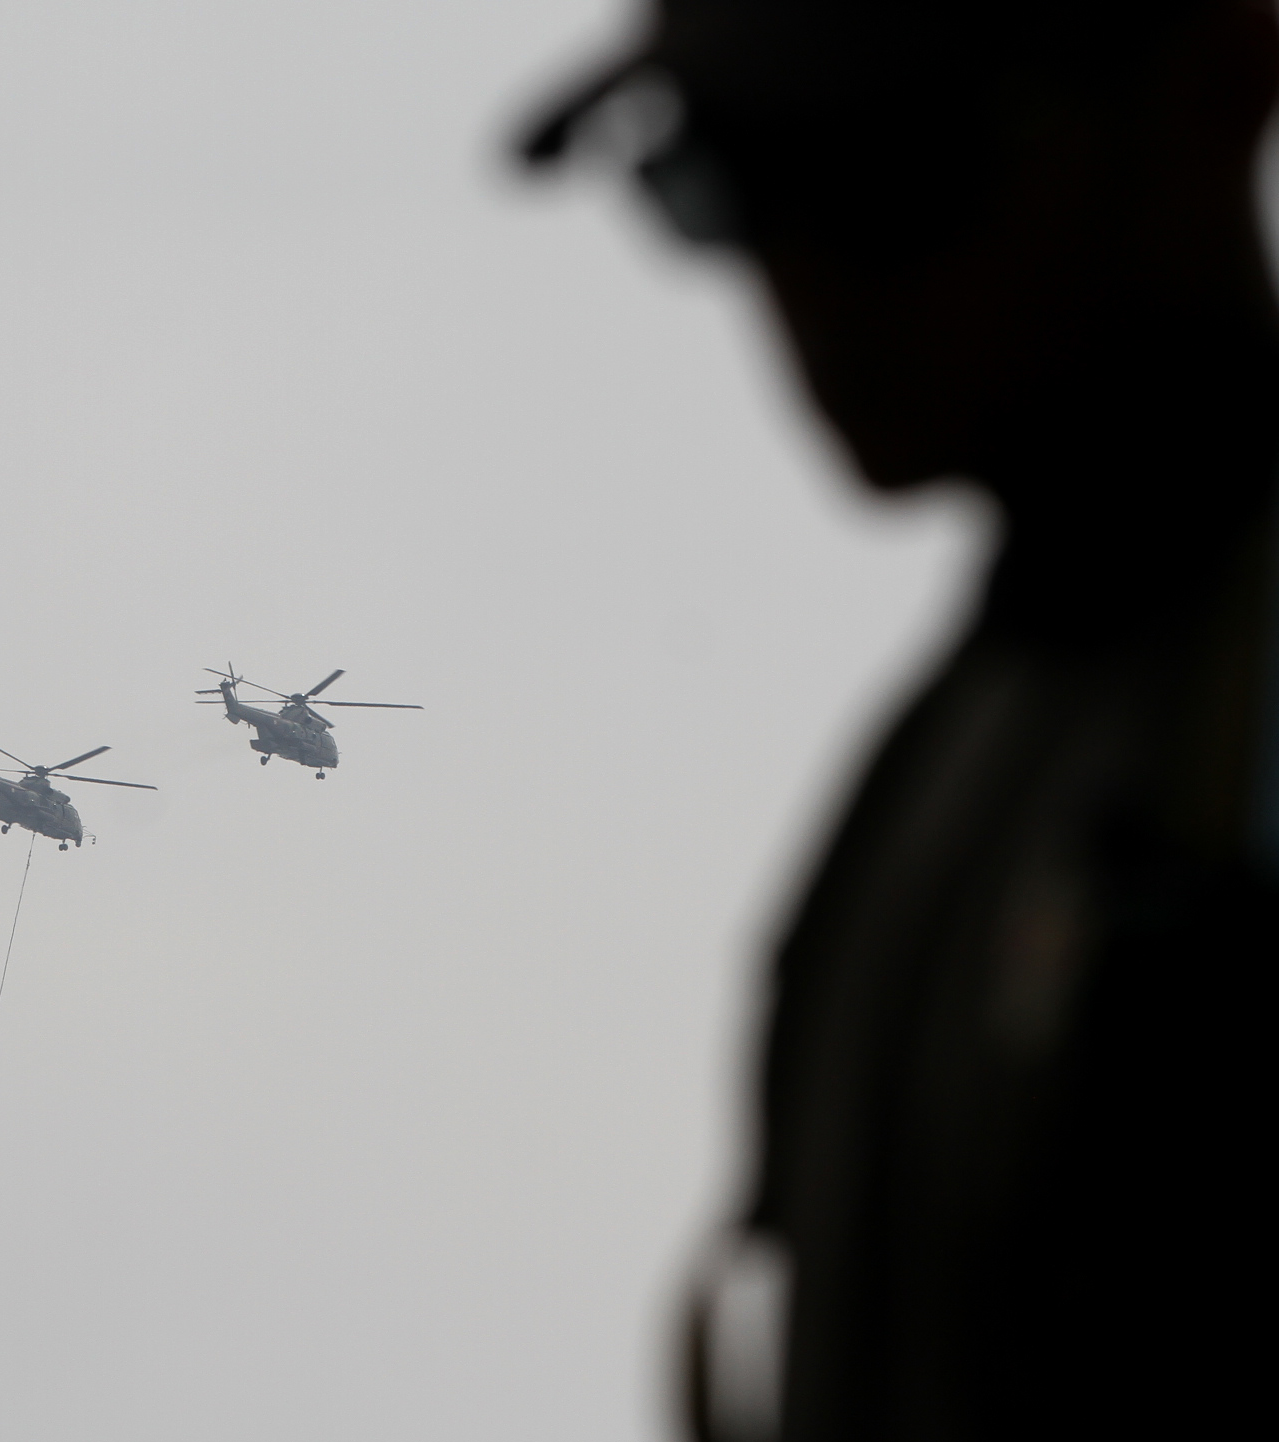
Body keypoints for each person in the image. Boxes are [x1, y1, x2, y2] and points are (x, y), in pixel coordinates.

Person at [521, 2, 1279, 1438]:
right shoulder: (946, 773)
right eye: (725, 180)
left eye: (887, 169)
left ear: (1220, 84)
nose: (799, 277)